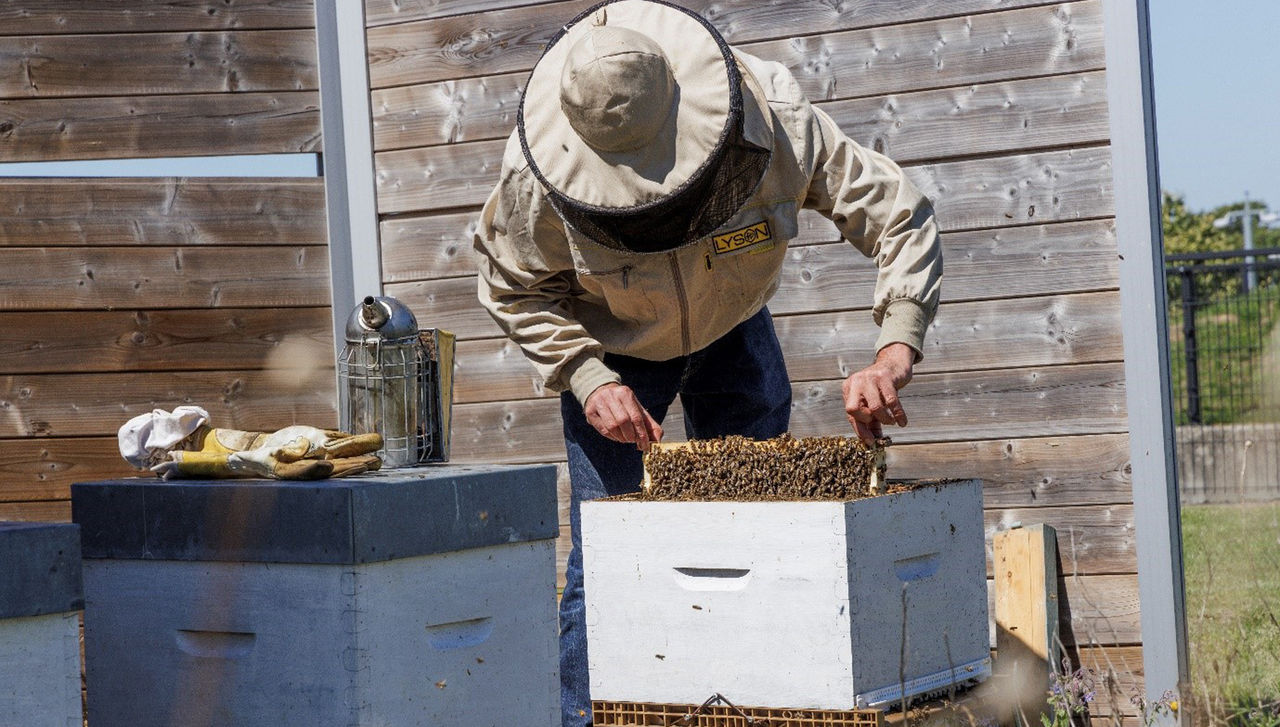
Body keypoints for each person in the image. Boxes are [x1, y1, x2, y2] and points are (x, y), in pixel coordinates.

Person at [472, 1, 942, 724]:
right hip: (619, 354)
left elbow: (897, 213)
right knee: (607, 564)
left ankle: (753, 707)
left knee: (760, 546)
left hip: (734, 324)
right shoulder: (534, 183)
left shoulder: (777, 120)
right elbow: (510, 284)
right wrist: (588, 376)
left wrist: (895, 349)